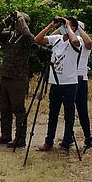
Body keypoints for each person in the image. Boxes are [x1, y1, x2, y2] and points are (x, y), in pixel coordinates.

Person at [35, 17, 83, 154]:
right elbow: (37, 39)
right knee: (53, 114)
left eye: (66, 25)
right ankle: (48, 141)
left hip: (69, 83)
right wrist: (50, 26)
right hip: (55, 82)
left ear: (73, 27)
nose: (63, 27)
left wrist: (69, 26)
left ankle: (66, 143)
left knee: (68, 115)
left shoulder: (77, 40)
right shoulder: (56, 39)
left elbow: (74, 41)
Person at [0, 11, 34, 147]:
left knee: (18, 109)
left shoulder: (27, 38)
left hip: (18, 78)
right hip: (6, 76)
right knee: (4, 107)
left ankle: (20, 138)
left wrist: (22, 20)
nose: (17, 25)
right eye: (16, 23)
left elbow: (28, 35)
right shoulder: (10, 35)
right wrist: (7, 20)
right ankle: (5, 135)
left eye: (19, 23)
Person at [75, 21, 92, 150]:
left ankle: (88, 138)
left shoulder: (85, 44)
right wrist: (63, 25)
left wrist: (77, 26)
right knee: (66, 111)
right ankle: (67, 138)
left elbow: (89, 43)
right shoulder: (67, 41)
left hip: (80, 79)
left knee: (82, 111)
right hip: (67, 79)